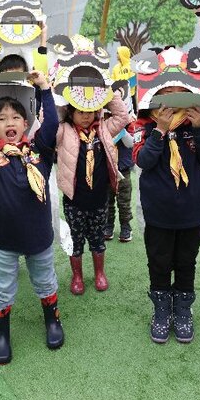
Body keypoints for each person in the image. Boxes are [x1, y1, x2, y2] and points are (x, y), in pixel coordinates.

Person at [0, 72, 64, 365]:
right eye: (2, 119)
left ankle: (52, 321)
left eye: (16, 117)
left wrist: (44, 88)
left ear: (26, 123)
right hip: (4, 239)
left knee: (45, 280)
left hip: (39, 236)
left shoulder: (40, 152)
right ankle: (1, 334)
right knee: (2, 287)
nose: (10, 122)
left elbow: (53, 123)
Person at [132, 86, 200, 345]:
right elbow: (143, 161)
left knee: (186, 262)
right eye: (166, 92)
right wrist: (160, 129)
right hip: (158, 212)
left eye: (179, 91)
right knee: (158, 262)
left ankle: (182, 309)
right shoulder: (145, 125)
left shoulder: (198, 123)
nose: (173, 97)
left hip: (191, 211)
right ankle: (161, 309)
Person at [56, 94, 130, 294]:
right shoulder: (63, 130)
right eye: (80, 111)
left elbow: (122, 117)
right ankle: (77, 276)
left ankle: (99, 273)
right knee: (76, 239)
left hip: (99, 198)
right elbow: (48, 128)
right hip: (74, 201)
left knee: (97, 238)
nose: (86, 116)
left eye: (90, 111)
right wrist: (60, 99)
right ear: (71, 112)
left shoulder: (104, 128)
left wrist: (106, 92)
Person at [104, 122, 134, 243]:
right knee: (107, 200)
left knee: (124, 201)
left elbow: (131, 143)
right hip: (106, 169)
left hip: (123, 169)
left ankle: (125, 226)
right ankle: (108, 225)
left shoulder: (129, 124)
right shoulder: (102, 124)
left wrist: (122, 131)